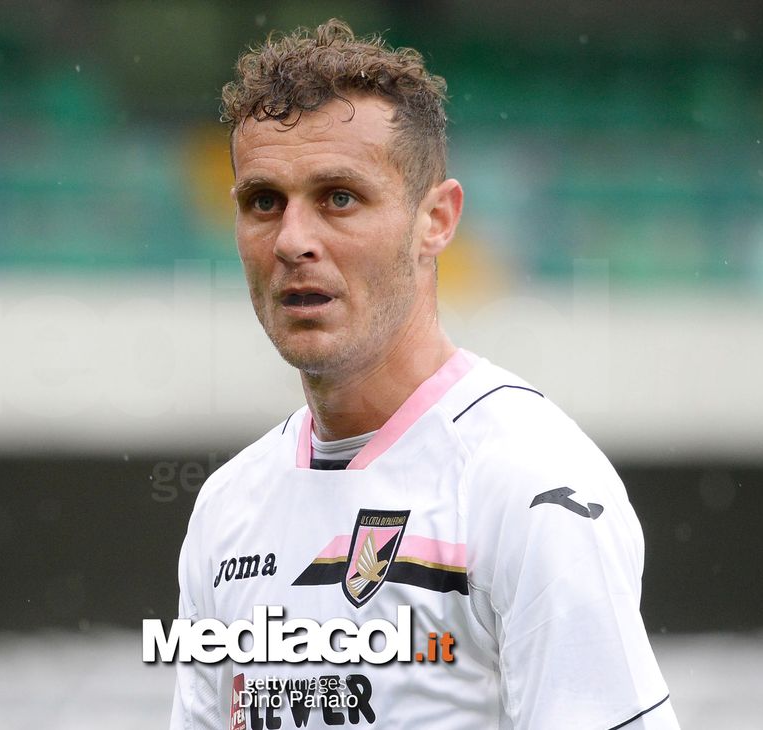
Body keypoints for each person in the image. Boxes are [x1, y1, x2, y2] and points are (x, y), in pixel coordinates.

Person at [169, 19, 679, 729]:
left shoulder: (528, 484)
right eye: (264, 202)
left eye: (339, 197)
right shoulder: (227, 506)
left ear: (436, 219)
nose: (292, 241)